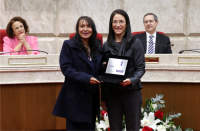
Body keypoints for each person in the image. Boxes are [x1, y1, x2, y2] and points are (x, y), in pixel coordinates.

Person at [52, 16, 102, 131]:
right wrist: (86, 78)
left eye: (88, 26)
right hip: (75, 98)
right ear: (77, 29)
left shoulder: (98, 46)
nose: (85, 29)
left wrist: (106, 67)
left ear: (93, 29)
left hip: (91, 98)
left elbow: (99, 67)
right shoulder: (69, 45)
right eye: (82, 26)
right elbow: (66, 69)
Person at [101, 9, 145, 131]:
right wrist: (103, 97)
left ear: (126, 24)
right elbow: (102, 73)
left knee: (133, 127)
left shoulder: (136, 43)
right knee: (115, 128)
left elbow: (141, 68)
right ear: (111, 24)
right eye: (115, 21)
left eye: (121, 21)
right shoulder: (106, 45)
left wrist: (131, 80)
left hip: (131, 92)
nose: (118, 25)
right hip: (112, 93)